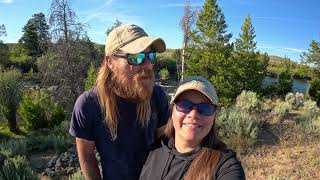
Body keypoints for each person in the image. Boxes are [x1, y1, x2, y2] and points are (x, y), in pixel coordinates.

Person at [69, 24, 170, 180]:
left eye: (150, 56)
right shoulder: (89, 105)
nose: (148, 65)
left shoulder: (157, 96)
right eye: (135, 57)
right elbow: (87, 155)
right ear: (110, 62)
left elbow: (166, 144)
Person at [140, 76, 245, 180]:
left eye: (205, 108)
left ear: (214, 117)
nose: (193, 114)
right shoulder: (153, 150)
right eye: (184, 105)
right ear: (172, 111)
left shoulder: (225, 166)